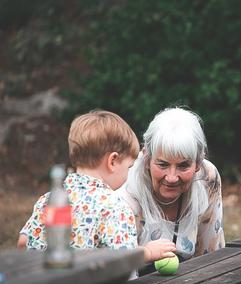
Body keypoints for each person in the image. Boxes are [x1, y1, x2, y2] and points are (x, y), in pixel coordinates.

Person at [17, 110, 176, 263]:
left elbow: (23, 243)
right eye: (129, 167)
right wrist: (147, 252)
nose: (129, 173)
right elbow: (122, 260)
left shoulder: (47, 200)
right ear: (112, 161)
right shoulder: (113, 207)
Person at [118, 107, 225, 262]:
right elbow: (120, 269)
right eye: (162, 164)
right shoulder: (126, 189)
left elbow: (213, 255)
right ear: (147, 158)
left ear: (198, 163)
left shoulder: (207, 178)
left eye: (183, 166)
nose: (172, 177)